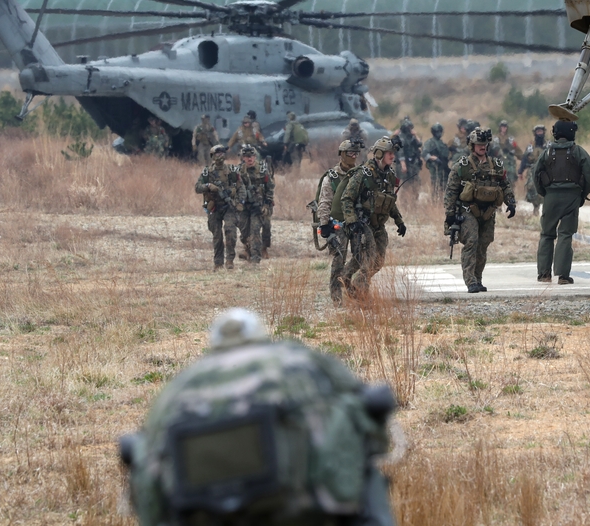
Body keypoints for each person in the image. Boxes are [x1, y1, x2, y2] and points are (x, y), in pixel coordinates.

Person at [119, 308, 397, 526]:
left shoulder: (175, 392)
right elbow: (364, 415)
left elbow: (146, 466)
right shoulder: (299, 361)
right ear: (261, 336)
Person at [444, 127, 516, 293]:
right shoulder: (462, 166)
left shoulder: (496, 165)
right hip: (467, 210)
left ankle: (478, 278)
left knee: (483, 245)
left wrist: (510, 202)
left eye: (484, 143)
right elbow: (451, 191)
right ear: (472, 145)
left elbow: (505, 185)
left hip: (489, 212)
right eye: (478, 144)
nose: (482, 146)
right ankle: (470, 281)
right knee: (472, 241)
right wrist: (450, 215)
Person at [532, 120, 590, 284]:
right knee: (565, 235)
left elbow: (536, 173)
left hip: (551, 197)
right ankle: (562, 275)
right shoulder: (578, 151)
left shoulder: (547, 152)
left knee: (546, 234)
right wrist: (583, 193)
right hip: (571, 198)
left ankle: (543, 274)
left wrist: (543, 192)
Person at [340, 136, 406, 294]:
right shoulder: (363, 174)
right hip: (363, 224)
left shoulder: (389, 175)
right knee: (368, 259)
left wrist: (399, 221)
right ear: (378, 154)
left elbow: (389, 200)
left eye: (393, 153)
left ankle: (345, 276)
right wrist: (352, 221)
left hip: (379, 225)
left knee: (378, 261)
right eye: (389, 153)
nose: (392, 156)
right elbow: (346, 198)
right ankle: (361, 294)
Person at [317, 139, 363, 303]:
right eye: (351, 153)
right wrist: (324, 224)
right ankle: (336, 298)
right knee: (338, 259)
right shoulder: (331, 177)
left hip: (357, 223)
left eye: (356, 153)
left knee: (360, 258)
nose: (354, 156)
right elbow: (324, 202)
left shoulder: (360, 174)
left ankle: (347, 280)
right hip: (338, 224)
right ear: (342, 154)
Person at [194, 145, 242, 270]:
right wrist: (209, 186)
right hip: (214, 206)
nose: (220, 156)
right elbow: (197, 188)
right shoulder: (207, 172)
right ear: (212, 156)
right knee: (217, 235)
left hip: (229, 206)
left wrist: (237, 198)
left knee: (230, 231)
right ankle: (218, 262)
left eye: (222, 153)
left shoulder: (232, 170)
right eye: (217, 153)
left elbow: (241, 186)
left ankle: (230, 260)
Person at [235, 144, 275, 264]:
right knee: (244, 231)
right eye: (247, 157)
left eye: (252, 156)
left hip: (259, 205)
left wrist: (267, 204)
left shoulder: (262, 170)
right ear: (243, 158)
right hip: (244, 206)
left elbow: (270, 187)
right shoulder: (239, 171)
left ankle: (256, 256)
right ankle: (247, 249)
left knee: (257, 229)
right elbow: (234, 187)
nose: (250, 159)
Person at [519, 124, 548, 216]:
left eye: (541, 131)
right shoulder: (530, 146)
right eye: (537, 131)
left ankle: (546, 211)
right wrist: (520, 171)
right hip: (533, 170)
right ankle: (536, 208)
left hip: (545, 170)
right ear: (535, 133)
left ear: (544, 132)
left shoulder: (548, 145)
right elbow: (524, 159)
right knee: (532, 188)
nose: (539, 133)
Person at [393, 116, 423, 189]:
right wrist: (403, 165)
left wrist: (415, 135)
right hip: (404, 163)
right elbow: (400, 152)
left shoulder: (411, 136)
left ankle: (413, 197)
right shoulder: (400, 137)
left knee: (416, 181)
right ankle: (405, 198)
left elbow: (420, 144)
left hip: (412, 162)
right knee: (405, 183)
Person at [422, 122, 450, 197]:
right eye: (437, 132)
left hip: (444, 168)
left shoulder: (442, 143)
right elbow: (424, 153)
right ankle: (435, 202)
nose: (439, 133)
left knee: (445, 186)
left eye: (440, 131)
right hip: (436, 169)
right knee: (436, 188)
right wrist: (433, 158)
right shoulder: (430, 142)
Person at [491, 119, 519, 186]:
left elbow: (517, 150)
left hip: (509, 163)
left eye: (505, 127)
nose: (504, 128)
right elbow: (491, 150)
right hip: (499, 162)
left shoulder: (511, 139)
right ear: (500, 128)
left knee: (511, 181)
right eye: (502, 126)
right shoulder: (495, 138)